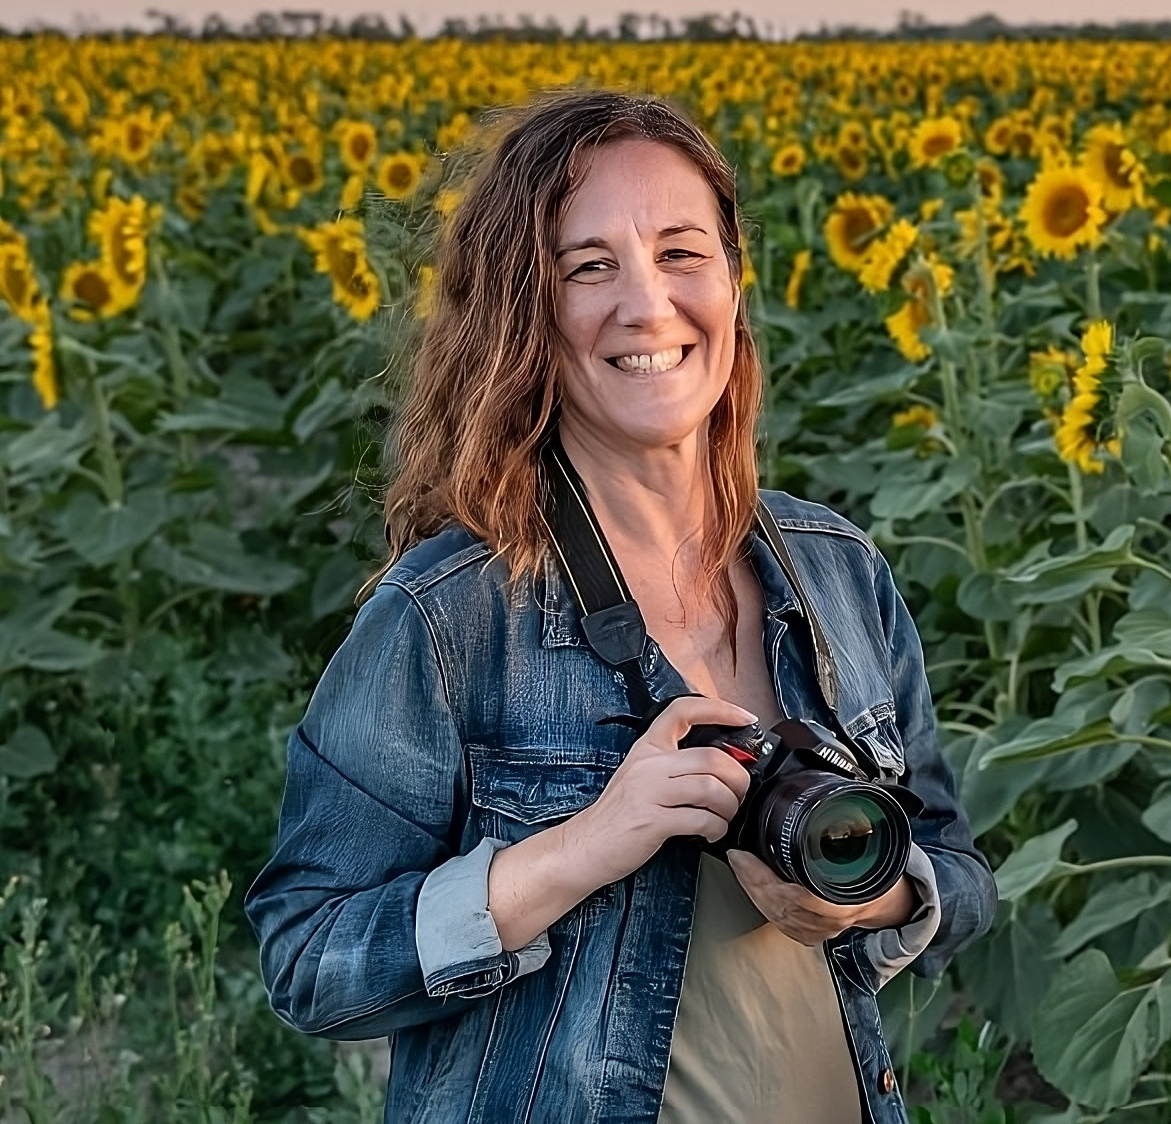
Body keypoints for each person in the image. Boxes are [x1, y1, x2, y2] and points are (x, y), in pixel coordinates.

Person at [244, 90, 994, 1123]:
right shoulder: (448, 618)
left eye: (682, 252)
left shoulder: (835, 571)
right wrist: (579, 850)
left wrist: (875, 892)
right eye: (587, 266)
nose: (647, 305)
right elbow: (307, 960)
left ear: (733, 282)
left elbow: (954, 864)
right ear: (526, 313)